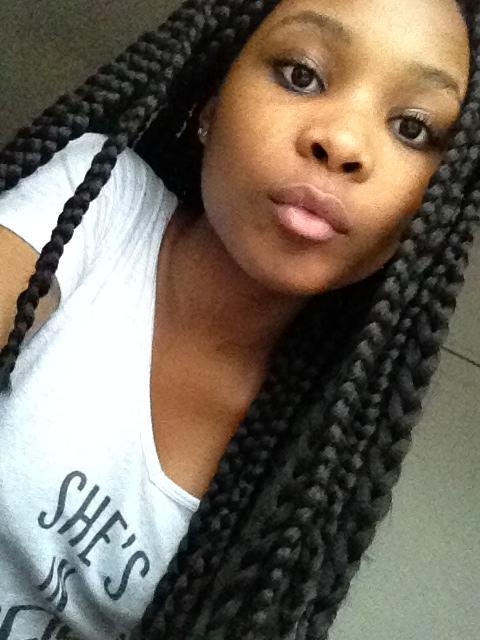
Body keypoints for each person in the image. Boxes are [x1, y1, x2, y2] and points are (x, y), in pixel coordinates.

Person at [0, 0, 477, 638]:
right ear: (210, 103)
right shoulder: (94, 201)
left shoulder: (318, 449)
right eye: (301, 75)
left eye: (413, 128)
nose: (342, 143)